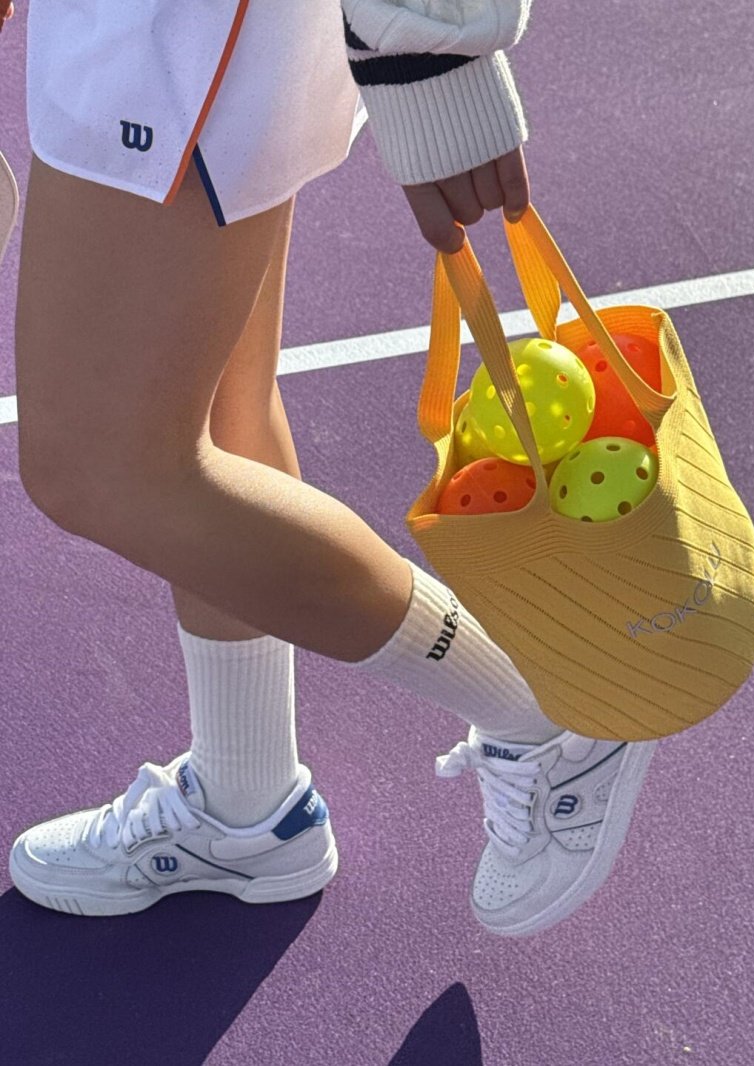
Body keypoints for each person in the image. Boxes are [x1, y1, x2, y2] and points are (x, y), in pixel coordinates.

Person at [6, 0, 656, 938]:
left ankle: (551, 710)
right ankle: (248, 805)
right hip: (173, 38)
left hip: (182, 39)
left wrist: (438, 46)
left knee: (100, 468)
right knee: (219, 424)